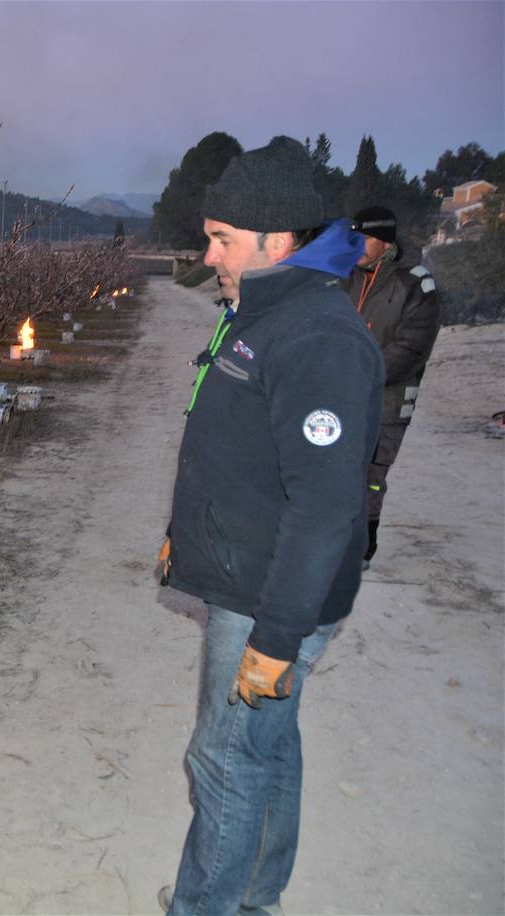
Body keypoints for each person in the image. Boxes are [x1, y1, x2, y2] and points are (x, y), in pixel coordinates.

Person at [157, 137, 383, 916]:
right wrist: (187, 532)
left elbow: (324, 509)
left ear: (276, 241)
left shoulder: (316, 337)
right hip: (249, 569)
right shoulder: (262, 311)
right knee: (268, 746)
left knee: (223, 758)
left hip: (269, 595)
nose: (209, 254)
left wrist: (277, 637)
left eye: (223, 239)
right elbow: (237, 451)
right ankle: (252, 897)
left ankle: (207, 906)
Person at [346, 205, 441, 568]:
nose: (356, 245)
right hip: (341, 396)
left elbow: (411, 349)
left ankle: (364, 546)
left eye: (364, 238)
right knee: (336, 468)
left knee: (371, 474)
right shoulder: (344, 277)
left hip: (387, 400)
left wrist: (359, 373)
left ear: (384, 241)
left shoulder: (416, 285)